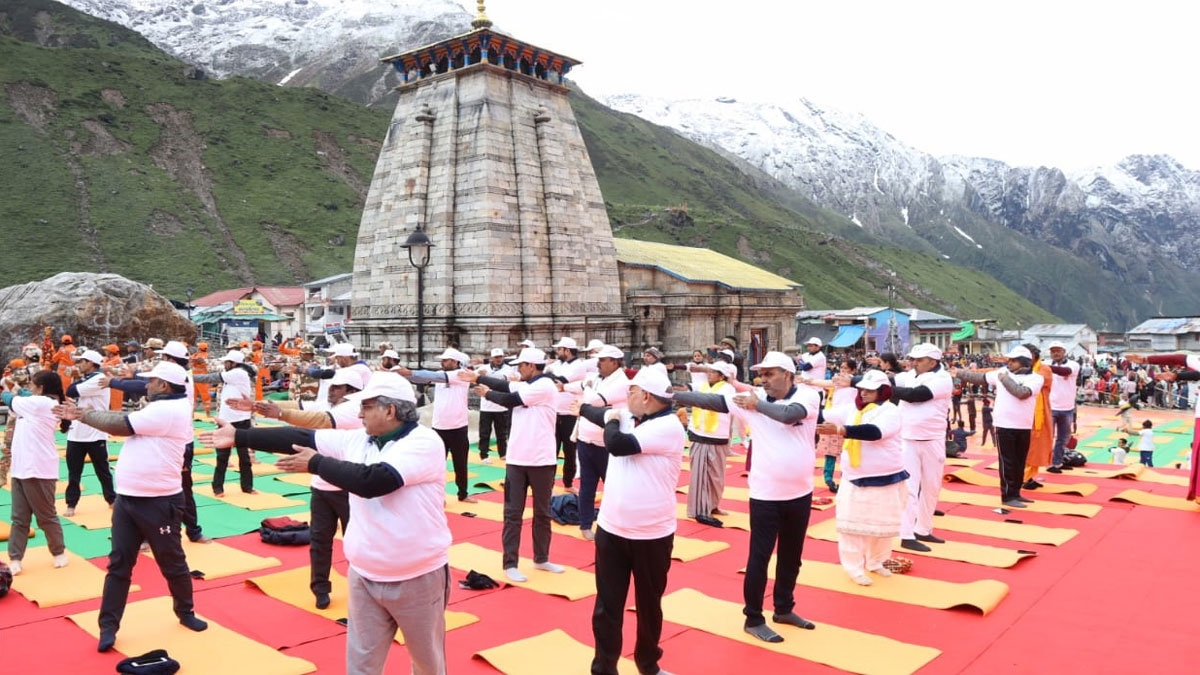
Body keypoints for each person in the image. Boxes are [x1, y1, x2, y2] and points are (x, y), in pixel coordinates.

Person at [203, 373, 450, 675]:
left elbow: (374, 480)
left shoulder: (424, 442)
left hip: (416, 577)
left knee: (427, 664)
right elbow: (304, 438)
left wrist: (316, 463)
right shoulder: (360, 439)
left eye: (366, 407)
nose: (359, 414)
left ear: (391, 411)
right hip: (364, 575)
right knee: (361, 665)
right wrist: (240, 436)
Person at [55, 361, 208, 652]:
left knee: (171, 560)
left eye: (150, 381)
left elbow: (121, 425)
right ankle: (108, 627)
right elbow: (124, 415)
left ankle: (185, 612)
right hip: (128, 500)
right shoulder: (158, 407)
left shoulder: (170, 410)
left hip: (160, 501)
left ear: (163, 385)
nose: (145, 384)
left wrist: (82, 414)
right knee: (119, 564)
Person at [674, 351, 820, 643]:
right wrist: (673, 396)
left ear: (788, 375)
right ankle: (753, 617)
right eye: (761, 374)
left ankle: (784, 608)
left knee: (792, 557)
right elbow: (714, 401)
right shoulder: (753, 400)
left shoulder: (807, 395)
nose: (763, 379)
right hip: (766, 495)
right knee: (759, 558)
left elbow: (790, 415)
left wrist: (758, 404)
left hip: (800, 493)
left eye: (770, 374)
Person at [572, 367, 684, 675]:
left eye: (631, 392)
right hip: (611, 529)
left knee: (649, 606)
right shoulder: (631, 416)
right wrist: (583, 408)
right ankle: (604, 668)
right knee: (607, 607)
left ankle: (648, 664)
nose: (626, 396)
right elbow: (604, 415)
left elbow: (618, 445)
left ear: (646, 397)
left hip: (651, 535)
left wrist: (610, 420)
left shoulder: (669, 426)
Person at [231, 368, 364, 609]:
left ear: (351, 391)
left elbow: (315, 419)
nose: (331, 390)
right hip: (322, 486)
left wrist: (280, 413)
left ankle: (361, 590)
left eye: (337, 387)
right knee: (319, 539)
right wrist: (259, 406)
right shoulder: (332, 403)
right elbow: (304, 405)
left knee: (356, 543)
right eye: (332, 387)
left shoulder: (355, 410)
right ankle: (320, 588)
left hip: (347, 487)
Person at [460, 347, 566, 582]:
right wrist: (477, 378)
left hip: (542, 460)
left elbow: (509, 399)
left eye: (521, 365)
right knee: (512, 513)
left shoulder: (544, 386)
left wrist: (486, 393)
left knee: (542, 512)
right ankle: (510, 562)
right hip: (517, 460)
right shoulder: (527, 384)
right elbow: (505, 386)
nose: (518, 369)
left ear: (531, 366)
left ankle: (541, 558)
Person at [815, 369, 907, 585]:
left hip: (886, 477)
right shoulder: (851, 409)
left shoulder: (890, 411)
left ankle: (876, 562)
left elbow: (875, 432)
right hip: (854, 478)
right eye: (862, 389)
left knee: (883, 526)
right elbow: (821, 415)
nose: (864, 393)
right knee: (850, 527)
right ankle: (854, 568)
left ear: (882, 392)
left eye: (870, 390)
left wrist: (841, 430)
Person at [955, 347, 1044, 508]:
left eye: (1013, 360)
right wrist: (959, 373)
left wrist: (1004, 378)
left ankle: (1016, 492)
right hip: (1004, 424)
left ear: (1024, 362)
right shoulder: (1002, 372)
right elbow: (979, 378)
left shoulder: (1036, 378)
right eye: (1009, 360)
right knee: (1007, 462)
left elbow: (1021, 393)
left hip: (1023, 424)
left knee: (1020, 461)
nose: (1009, 363)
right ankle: (1008, 496)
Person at [6, 370, 70, 575]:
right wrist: (17, 388)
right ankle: (15, 558)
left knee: (45, 516)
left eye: (33, 385)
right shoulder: (37, 403)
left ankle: (58, 552)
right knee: (19, 518)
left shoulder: (43, 404)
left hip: (38, 469)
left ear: (41, 388)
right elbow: (23, 395)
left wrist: (6, 387)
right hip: (21, 468)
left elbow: (10, 398)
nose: (30, 389)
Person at [564, 345, 630, 540]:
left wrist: (586, 388)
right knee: (587, 486)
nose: (598, 364)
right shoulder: (596, 378)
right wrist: (563, 386)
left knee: (613, 486)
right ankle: (585, 525)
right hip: (586, 439)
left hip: (606, 444)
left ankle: (615, 524)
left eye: (602, 360)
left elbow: (595, 401)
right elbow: (579, 386)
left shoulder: (621, 383)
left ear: (614, 362)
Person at [892, 343, 953, 553]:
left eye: (919, 360)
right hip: (907, 439)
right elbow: (891, 380)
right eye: (913, 359)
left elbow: (916, 395)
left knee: (931, 486)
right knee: (909, 488)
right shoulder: (910, 375)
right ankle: (906, 534)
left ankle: (924, 529)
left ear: (933, 362)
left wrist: (887, 389)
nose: (914, 363)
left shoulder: (943, 379)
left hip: (932, 439)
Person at [398, 348, 475, 503]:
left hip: (458, 427)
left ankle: (463, 494)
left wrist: (409, 372)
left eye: (446, 360)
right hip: (439, 427)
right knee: (437, 465)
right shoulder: (442, 375)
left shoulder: (460, 375)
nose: (442, 362)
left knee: (460, 463)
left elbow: (431, 376)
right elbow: (425, 379)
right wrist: (407, 375)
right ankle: (439, 496)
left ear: (455, 362)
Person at [193, 350, 257, 497]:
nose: (224, 365)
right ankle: (218, 488)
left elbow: (210, 377)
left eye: (226, 362)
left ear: (233, 363)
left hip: (240, 421)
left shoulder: (238, 373)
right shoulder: (234, 374)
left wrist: (189, 377)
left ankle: (247, 487)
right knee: (222, 457)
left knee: (244, 458)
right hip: (226, 420)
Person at [63, 349, 117, 517]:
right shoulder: (86, 379)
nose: (79, 364)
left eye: (83, 361)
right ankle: (71, 503)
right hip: (76, 432)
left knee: (102, 470)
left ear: (92, 363)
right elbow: (71, 391)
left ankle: (112, 500)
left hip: (95, 431)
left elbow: (72, 391)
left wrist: (75, 380)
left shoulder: (99, 379)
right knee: (73, 472)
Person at [682, 361, 737, 526]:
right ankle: (699, 510)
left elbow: (715, 401)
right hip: (699, 434)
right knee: (700, 475)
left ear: (721, 376)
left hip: (717, 436)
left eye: (713, 372)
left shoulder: (728, 389)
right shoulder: (702, 385)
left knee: (716, 477)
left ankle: (713, 505)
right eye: (709, 371)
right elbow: (687, 388)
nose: (709, 374)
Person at [547, 337, 589, 494]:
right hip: (555, 412)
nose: (557, 352)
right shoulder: (559, 364)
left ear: (567, 350)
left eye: (560, 349)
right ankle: (548, 485)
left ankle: (568, 483)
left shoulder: (578, 366)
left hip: (570, 413)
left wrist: (549, 374)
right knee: (552, 450)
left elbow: (560, 380)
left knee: (570, 451)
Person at [1021, 345, 1054, 491]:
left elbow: (1039, 381)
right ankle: (1023, 477)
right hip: (1023, 412)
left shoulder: (1044, 370)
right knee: (1026, 447)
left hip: (1039, 414)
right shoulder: (1017, 370)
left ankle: (1028, 477)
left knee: (1036, 446)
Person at [1045, 341, 1080, 474]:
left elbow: (1064, 372)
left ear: (1064, 351)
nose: (1055, 353)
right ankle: (1048, 463)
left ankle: (1057, 462)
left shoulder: (1073, 365)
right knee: (1048, 437)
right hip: (1051, 407)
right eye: (1053, 351)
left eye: (1058, 350)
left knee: (1063, 438)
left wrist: (1043, 366)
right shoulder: (1046, 365)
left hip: (1067, 407)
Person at [476, 348, 513, 463]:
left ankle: (503, 453)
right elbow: (473, 378)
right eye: (496, 357)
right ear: (491, 358)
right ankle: (484, 454)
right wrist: (479, 377)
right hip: (486, 406)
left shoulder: (508, 369)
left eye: (501, 357)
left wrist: (484, 377)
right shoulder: (483, 368)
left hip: (501, 406)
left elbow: (503, 380)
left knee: (502, 432)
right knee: (484, 432)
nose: (499, 359)